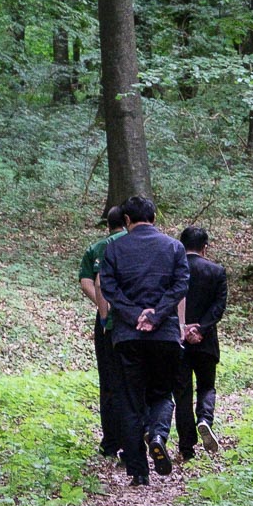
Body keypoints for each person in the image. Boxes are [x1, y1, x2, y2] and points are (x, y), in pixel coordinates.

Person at [97, 195, 189, 484]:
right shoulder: (174, 246)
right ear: (154, 218)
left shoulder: (114, 249)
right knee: (162, 392)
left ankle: (138, 471)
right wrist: (157, 315)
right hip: (165, 335)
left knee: (129, 399)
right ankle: (159, 434)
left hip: (126, 336)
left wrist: (136, 314)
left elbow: (108, 288)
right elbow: (181, 285)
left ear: (126, 221)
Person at [78, 205, 128, 459]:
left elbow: (87, 281)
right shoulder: (134, 243)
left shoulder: (97, 247)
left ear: (107, 224)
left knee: (108, 382)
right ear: (128, 221)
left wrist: (102, 306)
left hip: (106, 322)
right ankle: (137, 435)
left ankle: (110, 442)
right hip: (134, 320)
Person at [179, 226, 228, 455]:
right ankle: (205, 418)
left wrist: (184, 328)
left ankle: (186, 446)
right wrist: (201, 328)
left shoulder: (174, 270)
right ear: (205, 248)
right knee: (206, 385)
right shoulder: (217, 271)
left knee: (182, 392)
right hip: (206, 341)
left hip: (177, 340)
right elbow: (218, 308)